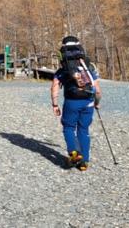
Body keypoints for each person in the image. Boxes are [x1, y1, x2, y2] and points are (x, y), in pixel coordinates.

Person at [50, 36, 102, 171]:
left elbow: (55, 87)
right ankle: (84, 162)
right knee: (83, 130)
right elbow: (98, 91)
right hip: (88, 102)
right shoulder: (89, 67)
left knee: (68, 127)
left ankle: (74, 152)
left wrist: (55, 104)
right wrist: (96, 103)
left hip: (72, 102)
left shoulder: (63, 70)